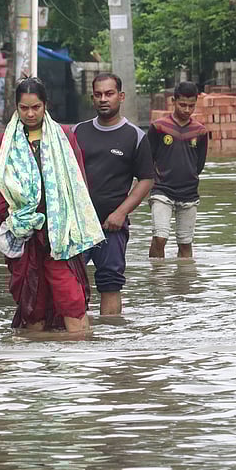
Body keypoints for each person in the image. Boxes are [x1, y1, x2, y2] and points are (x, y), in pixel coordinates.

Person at [0, 78, 103, 334]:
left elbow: (77, 186)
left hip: (60, 234)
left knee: (72, 300)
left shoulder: (65, 137)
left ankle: (79, 365)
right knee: (33, 304)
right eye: (24, 108)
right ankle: (35, 370)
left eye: (36, 107)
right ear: (16, 107)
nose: (30, 114)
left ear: (45, 105)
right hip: (25, 235)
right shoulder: (3, 142)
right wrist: (16, 222)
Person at [73, 73, 154, 316]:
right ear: (92, 98)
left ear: (121, 97)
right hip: (76, 225)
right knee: (70, 283)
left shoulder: (135, 136)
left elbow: (146, 180)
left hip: (112, 226)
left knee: (110, 284)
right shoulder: (77, 133)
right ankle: (75, 340)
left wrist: (121, 213)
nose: (103, 99)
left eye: (109, 94)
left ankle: (110, 339)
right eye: (98, 94)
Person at [148, 81, 208, 259]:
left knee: (185, 242)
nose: (187, 110)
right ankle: (157, 278)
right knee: (160, 237)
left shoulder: (200, 131)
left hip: (189, 192)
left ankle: (184, 282)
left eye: (191, 106)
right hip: (162, 189)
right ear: (173, 101)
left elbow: (199, 164)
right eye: (182, 105)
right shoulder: (158, 127)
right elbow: (148, 158)